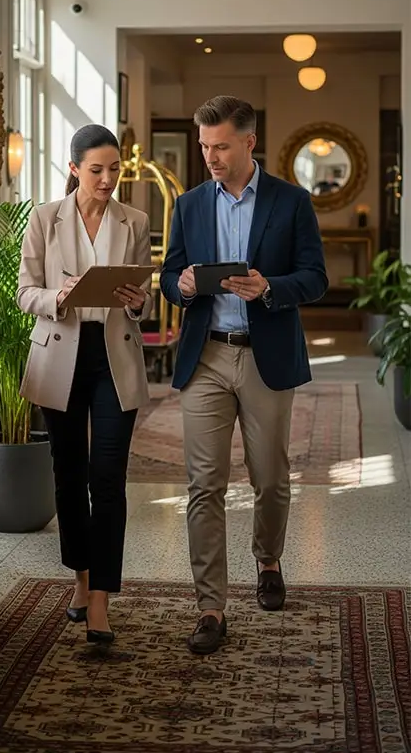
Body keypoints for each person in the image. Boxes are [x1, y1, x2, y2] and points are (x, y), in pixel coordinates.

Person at [160, 96, 328, 655]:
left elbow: (316, 278)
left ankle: (268, 559)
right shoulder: (188, 205)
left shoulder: (292, 201)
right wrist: (179, 288)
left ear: (249, 142)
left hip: (265, 354)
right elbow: (170, 273)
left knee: (270, 479)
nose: (210, 156)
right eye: (205, 146)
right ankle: (210, 607)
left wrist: (272, 289)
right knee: (203, 485)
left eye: (221, 146)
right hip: (205, 356)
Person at [17, 124, 152, 644]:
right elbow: (26, 292)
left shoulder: (134, 220)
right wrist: (60, 296)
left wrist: (140, 303)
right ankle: (80, 577)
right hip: (61, 357)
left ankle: (101, 600)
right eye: (96, 169)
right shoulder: (45, 219)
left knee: (109, 478)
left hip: (113, 358)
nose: (107, 179)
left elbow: (141, 296)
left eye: (115, 169)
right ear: (73, 168)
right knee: (69, 475)